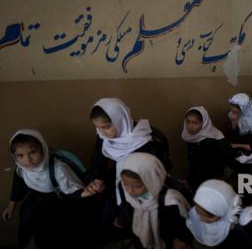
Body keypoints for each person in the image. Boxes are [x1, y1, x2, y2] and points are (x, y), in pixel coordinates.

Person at [86, 98, 171, 241]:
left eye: (106, 126)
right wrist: (97, 178)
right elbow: (98, 161)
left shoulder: (145, 141)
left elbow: (154, 175)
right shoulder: (103, 136)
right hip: (118, 179)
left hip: (140, 186)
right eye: (97, 127)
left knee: (135, 221)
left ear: (120, 120)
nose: (102, 132)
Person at [2, 129, 93, 249]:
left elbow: (71, 189)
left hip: (58, 203)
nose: (28, 160)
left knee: (55, 233)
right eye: (20, 156)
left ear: (42, 149)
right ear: (14, 157)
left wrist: (83, 194)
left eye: (32, 152)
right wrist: (11, 205)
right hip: (35, 201)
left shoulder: (58, 168)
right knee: (31, 225)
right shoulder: (22, 169)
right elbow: (19, 185)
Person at [119, 152, 192, 249]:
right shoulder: (122, 188)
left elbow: (184, 223)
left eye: (137, 186)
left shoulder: (170, 200)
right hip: (139, 237)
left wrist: (182, 240)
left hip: (167, 239)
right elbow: (126, 208)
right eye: (126, 184)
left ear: (152, 180)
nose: (130, 191)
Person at [186, 179, 252, 248]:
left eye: (209, 217)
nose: (200, 219)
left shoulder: (249, 220)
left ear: (223, 210)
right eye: (197, 211)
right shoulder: (202, 211)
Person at [182, 106, 240, 191]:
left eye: (195, 123)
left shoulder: (215, 140)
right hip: (197, 181)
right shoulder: (190, 137)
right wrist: (188, 180)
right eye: (188, 122)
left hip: (215, 183)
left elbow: (231, 162)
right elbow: (194, 163)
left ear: (204, 123)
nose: (190, 126)